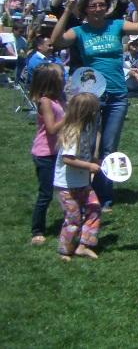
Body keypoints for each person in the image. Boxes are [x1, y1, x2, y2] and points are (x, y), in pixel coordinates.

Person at [50, 0, 138, 210]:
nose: (98, 9)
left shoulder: (116, 25)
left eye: (102, 4)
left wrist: (136, 0)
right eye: (93, 5)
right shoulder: (79, 32)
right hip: (91, 97)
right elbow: (55, 42)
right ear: (85, 8)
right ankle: (83, 189)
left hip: (117, 95)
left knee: (108, 146)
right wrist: (67, 10)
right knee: (86, 146)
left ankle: (104, 195)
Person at [53, 92, 102, 261]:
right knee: (73, 218)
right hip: (67, 185)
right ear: (86, 112)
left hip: (82, 182)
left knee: (94, 208)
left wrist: (94, 160)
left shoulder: (86, 130)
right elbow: (68, 159)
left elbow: (85, 153)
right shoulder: (72, 132)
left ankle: (83, 245)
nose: (96, 114)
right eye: (94, 111)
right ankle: (65, 250)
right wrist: (89, 166)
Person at [29, 63, 65, 245]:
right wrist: (69, 116)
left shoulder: (57, 99)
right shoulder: (45, 102)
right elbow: (51, 129)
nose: (64, 78)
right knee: (46, 194)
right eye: (61, 76)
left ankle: (70, 222)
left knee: (64, 189)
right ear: (51, 81)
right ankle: (37, 230)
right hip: (44, 153)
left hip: (56, 151)